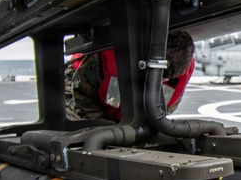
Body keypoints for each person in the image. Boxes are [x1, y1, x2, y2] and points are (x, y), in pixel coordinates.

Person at [66, 30, 196, 121]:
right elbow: (84, 99)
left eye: (166, 79)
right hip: (80, 87)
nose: (163, 82)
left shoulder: (181, 64)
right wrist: (108, 131)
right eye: (161, 78)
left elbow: (165, 108)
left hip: (122, 107)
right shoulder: (112, 55)